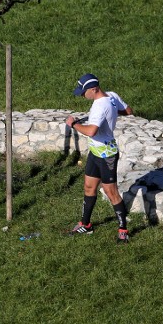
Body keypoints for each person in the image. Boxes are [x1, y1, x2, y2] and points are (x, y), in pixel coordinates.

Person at [66, 73, 134, 243]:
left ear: (94, 89)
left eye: (84, 92)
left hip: (107, 155)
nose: (82, 95)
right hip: (96, 152)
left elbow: (91, 131)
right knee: (89, 187)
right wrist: (110, 115)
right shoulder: (111, 96)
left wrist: (73, 124)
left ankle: (123, 230)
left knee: (112, 192)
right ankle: (86, 224)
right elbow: (128, 111)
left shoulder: (99, 105)